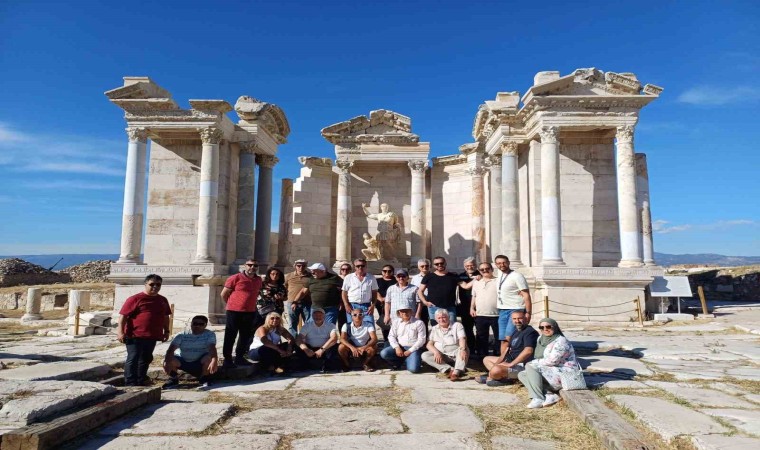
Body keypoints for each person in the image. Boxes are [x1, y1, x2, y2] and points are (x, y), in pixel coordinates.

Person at [117, 274, 172, 386]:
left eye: (158, 285)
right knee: (133, 358)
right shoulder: (135, 299)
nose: (155, 287)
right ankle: (130, 381)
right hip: (134, 335)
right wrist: (120, 332)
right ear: (145, 284)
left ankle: (140, 379)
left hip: (152, 335)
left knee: (146, 358)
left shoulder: (162, 300)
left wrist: (166, 331)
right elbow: (123, 316)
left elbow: (166, 316)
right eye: (152, 284)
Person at [518, 318, 578, 408]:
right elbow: (539, 357)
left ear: (555, 327)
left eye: (548, 326)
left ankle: (537, 398)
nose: (545, 329)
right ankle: (549, 394)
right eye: (541, 327)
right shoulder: (541, 339)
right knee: (522, 374)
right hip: (549, 370)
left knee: (531, 366)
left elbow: (553, 361)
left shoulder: (561, 341)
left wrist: (534, 363)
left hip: (564, 373)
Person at [221, 258, 262, 368]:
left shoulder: (258, 280)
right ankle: (227, 359)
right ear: (245, 266)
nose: (252, 267)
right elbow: (224, 294)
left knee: (245, 336)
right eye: (249, 265)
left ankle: (239, 357)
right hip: (234, 311)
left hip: (249, 311)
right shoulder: (235, 278)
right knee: (230, 335)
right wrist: (232, 304)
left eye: (255, 266)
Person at [479, 310, 538, 387]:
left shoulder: (530, 332)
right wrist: (498, 363)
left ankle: (500, 377)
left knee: (495, 370)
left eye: (520, 318)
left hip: (521, 365)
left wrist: (511, 364)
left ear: (525, 318)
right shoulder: (515, 331)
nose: (517, 321)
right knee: (486, 359)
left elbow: (528, 351)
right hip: (510, 361)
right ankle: (498, 377)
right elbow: (507, 350)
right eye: (514, 319)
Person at [163, 315, 218, 389]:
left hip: (200, 361)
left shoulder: (209, 335)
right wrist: (167, 361)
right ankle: (173, 379)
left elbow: (212, 348)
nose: (197, 326)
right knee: (168, 359)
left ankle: (204, 378)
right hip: (183, 360)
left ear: (205, 325)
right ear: (191, 324)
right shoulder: (181, 335)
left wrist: (215, 360)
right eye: (195, 323)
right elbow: (171, 349)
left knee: (209, 358)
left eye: (201, 324)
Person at [494, 255, 532, 357]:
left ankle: (513, 360)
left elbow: (526, 295)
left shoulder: (517, 276)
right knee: (503, 339)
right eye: (499, 263)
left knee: (510, 337)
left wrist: (528, 313)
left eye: (504, 262)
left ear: (508, 262)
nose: (502, 265)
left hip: (516, 309)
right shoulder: (499, 274)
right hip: (502, 310)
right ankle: (503, 362)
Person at [418, 256, 467, 326]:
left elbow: (465, 286)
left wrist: (476, 279)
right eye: (437, 264)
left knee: (452, 328)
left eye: (441, 263)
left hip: (449, 307)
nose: (439, 265)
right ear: (433, 265)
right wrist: (425, 302)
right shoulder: (428, 276)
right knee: (435, 329)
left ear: (445, 263)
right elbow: (420, 291)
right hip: (433, 308)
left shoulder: (453, 276)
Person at [421, 309, 469, 381]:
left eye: (444, 317)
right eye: (439, 318)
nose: (441, 320)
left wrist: (462, 349)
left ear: (448, 317)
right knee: (425, 355)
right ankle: (449, 369)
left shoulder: (457, 325)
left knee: (465, 349)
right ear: (436, 319)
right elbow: (429, 344)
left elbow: (462, 338)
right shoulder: (434, 329)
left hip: (455, 354)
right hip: (441, 355)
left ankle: (456, 372)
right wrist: (436, 352)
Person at [380, 307, 426, 373]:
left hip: (413, 348)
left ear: (411, 312)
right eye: (402, 311)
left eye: (407, 311)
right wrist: (397, 347)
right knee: (384, 353)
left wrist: (410, 351)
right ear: (399, 313)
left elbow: (422, 340)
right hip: (400, 347)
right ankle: (399, 362)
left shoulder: (419, 323)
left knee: (413, 369)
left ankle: (408, 360)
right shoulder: (396, 322)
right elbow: (391, 336)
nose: (405, 313)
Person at [295, 308, 339, 372]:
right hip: (310, 350)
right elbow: (299, 338)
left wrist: (322, 349)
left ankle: (327, 366)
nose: (318, 317)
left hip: (324, 349)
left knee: (334, 346)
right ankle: (304, 366)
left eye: (320, 315)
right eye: (315, 315)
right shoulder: (307, 325)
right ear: (312, 316)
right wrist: (306, 349)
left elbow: (334, 338)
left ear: (324, 316)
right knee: (298, 346)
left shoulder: (330, 325)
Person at [470, 262, 500, 356]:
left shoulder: (498, 281)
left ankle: (498, 356)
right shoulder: (476, 283)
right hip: (480, 314)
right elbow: (474, 296)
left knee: (498, 337)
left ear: (492, 269)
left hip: (497, 314)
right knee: (481, 337)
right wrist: (471, 308)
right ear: (479, 271)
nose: (485, 271)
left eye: (487, 268)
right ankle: (482, 358)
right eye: (482, 269)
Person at [341, 258, 378, 327]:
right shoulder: (348, 277)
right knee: (352, 327)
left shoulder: (371, 277)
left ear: (366, 266)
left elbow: (374, 293)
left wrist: (373, 305)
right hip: (352, 306)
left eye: (362, 266)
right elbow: (344, 293)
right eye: (358, 266)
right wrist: (346, 305)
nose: (360, 267)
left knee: (370, 326)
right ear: (354, 267)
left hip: (366, 306)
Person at [283, 259, 311, 335]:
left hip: (307, 302)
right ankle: (293, 343)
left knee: (309, 323)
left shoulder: (310, 276)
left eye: (303, 266)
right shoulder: (288, 276)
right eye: (299, 266)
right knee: (292, 324)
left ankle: (307, 341)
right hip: (292, 303)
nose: (301, 267)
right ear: (295, 266)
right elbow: (284, 287)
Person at [457, 257, 478, 353]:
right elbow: (465, 286)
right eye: (467, 266)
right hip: (465, 306)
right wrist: (476, 280)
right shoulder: (461, 276)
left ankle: (481, 349)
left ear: (475, 265)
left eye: (472, 265)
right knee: (467, 329)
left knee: (480, 330)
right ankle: (471, 349)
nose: (470, 267)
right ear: (464, 267)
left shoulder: (481, 273)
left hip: (479, 306)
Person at [375, 264, 397, 342]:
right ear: (382, 272)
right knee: (384, 321)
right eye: (384, 271)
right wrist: (380, 298)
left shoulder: (396, 281)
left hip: (393, 304)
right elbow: (375, 291)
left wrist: (386, 299)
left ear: (392, 272)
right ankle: (386, 339)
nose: (387, 273)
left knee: (394, 322)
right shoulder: (378, 280)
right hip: (380, 304)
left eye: (389, 271)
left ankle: (394, 339)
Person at [410, 258, 430, 326]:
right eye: (422, 266)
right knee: (421, 323)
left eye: (427, 266)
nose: (425, 267)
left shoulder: (434, 276)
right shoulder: (415, 278)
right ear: (418, 267)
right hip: (420, 304)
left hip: (431, 303)